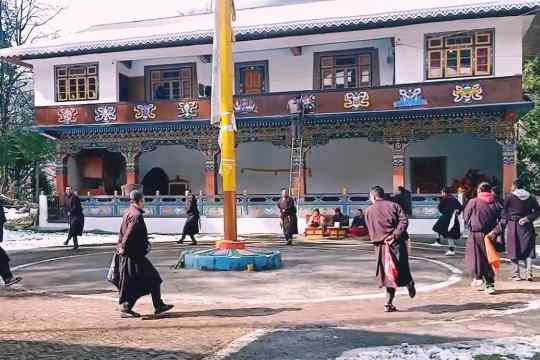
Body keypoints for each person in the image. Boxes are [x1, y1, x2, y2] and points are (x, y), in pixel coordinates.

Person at [117, 190, 173, 318]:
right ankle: (157, 305)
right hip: (135, 255)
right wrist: (123, 246)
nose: (144, 202)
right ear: (139, 200)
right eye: (143, 200)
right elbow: (128, 233)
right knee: (154, 278)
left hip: (131, 254)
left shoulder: (128, 212)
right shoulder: (136, 215)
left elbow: (121, 232)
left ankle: (131, 308)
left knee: (137, 282)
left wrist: (120, 245)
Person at [365, 186, 415, 312]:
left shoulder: (369, 210)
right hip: (396, 243)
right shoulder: (394, 206)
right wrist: (395, 234)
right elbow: (404, 221)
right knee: (400, 268)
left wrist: (379, 240)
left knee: (388, 274)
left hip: (381, 246)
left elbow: (370, 229)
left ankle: (390, 300)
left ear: (374, 196)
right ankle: (405, 286)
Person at [463, 182, 502, 294]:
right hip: (490, 235)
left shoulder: (473, 202)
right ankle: (490, 284)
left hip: (475, 234)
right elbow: (503, 220)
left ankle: (478, 277)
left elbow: (466, 217)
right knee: (488, 258)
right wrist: (495, 231)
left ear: (479, 190)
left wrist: (471, 223)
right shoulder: (496, 203)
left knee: (475, 257)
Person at [500, 180, 540, 281]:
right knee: (528, 248)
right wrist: (527, 218)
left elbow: (504, 212)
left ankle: (516, 274)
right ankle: (529, 274)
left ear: (514, 186)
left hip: (513, 225)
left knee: (513, 248)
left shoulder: (509, 197)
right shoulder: (531, 197)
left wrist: (503, 225)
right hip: (527, 225)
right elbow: (537, 211)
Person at [432, 188, 463, 256]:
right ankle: (439, 242)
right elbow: (460, 207)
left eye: (442, 192)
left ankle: (449, 249)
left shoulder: (444, 199)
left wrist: (444, 211)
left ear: (445, 193)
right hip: (453, 218)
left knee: (438, 228)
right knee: (448, 234)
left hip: (446, 218)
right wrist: (458, 212)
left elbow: (440, 208)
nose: (442, 194)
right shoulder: (454, 199)